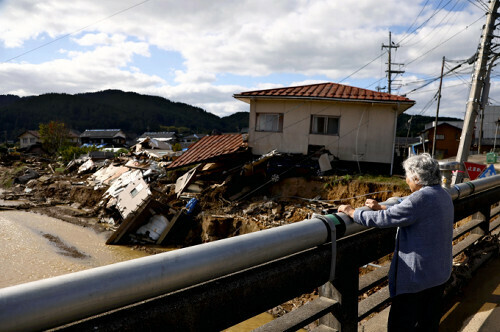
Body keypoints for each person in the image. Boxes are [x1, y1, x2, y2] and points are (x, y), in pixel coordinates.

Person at [338, 153, 453, 332]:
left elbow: (386, 218)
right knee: (428, 324)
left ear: (416, 177)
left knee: (400, 325)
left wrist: (353, 213)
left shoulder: (420, 199)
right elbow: (408, 207)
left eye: (407, 176)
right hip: (438, 274)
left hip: (418, 278)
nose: (406, 180)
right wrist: (383, 206)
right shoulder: (442, 194)